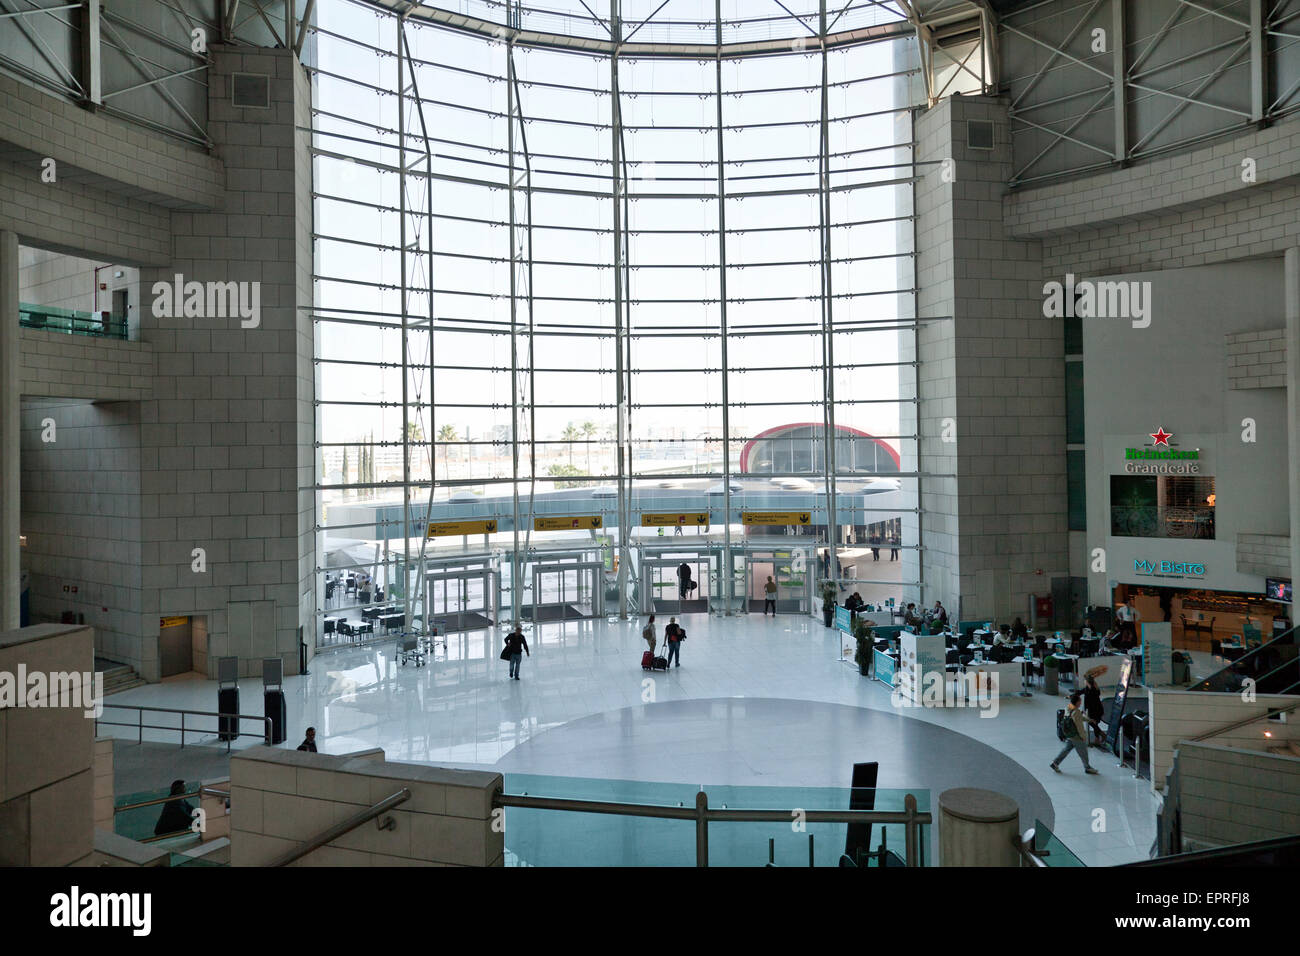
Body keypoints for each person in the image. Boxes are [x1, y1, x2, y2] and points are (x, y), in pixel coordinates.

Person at [1050, 693, 1099, 774]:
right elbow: (1079, 726)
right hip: (1076, 736)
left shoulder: (1068, 708)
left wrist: (1089, 720)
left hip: (1070, 734)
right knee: (1083, 753)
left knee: (1066, 750)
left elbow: (1078, 718)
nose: (1081, 703)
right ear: (1076, 702)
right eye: (1080, 701)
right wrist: (1083, 736)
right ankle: (1087, 768)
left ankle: (1055, 763)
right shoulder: (1076, 712)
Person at [1082, 675, 1107, 746]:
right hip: (1094, 710)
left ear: (1087, 681)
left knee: (1092, 722)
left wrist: (1086, 710)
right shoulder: (1088, 688)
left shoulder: (1092, 690)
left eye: (1084, 680)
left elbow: (1091, 703)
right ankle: (1098, 738)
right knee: (1094, 723)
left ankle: (1101, 735)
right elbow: (1081, 692)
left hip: (1095, 710)